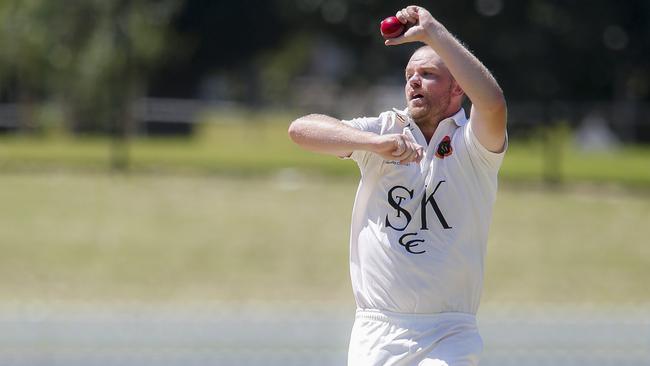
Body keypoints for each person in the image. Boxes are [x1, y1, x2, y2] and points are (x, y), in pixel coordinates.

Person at [288, 5, 507, 366]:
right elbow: (301, 130)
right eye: (409, 74)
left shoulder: (474, 145)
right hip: (377, 329)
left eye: (427, 74)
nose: (413, 81)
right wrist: (371, 144)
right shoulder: (384, 129)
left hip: (449, 333)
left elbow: (493, 103)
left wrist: (432, 30)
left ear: (458, 87)